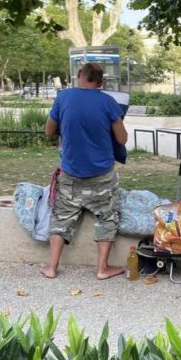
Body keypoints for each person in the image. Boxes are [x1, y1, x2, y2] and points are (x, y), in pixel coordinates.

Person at [40, 62, 129, 280]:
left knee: (61, 217)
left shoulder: (63, 98)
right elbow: (122, 138)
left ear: (80, 74)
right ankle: (101, 269)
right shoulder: (108, 102)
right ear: (101, 82)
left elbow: (49, 131)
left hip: (71, 172)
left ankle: (52, 267)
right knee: (107, 218)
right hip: (102, 175)